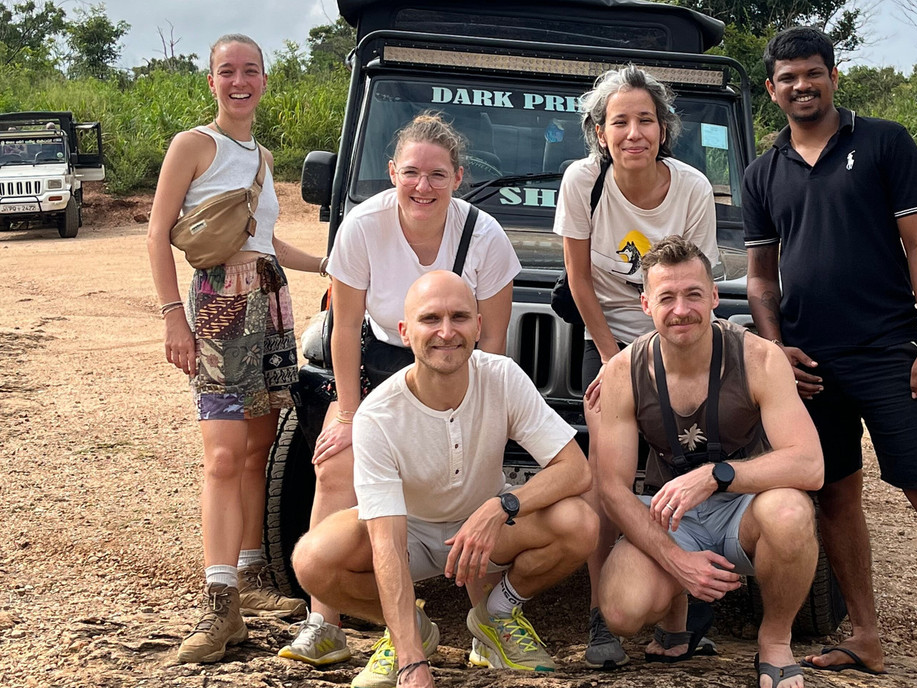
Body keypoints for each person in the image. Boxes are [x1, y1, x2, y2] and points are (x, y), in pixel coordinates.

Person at [741, 26, 917, 688]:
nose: (801, 85)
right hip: (810, 368)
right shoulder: (760, 172)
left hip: (893, 354)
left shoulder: (885, 143)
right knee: (834, 496)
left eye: (813, 73)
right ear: (771, 90)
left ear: (834, 76)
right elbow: (759, 278)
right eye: (787, 77)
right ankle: (866, 638)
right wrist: (777, 350)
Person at [278, 112, 521, 667]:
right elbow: (343, 327)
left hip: (458, 371)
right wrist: (346, 413)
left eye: (438, 175)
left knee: (475, 475)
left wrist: (475, 418)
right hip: (382, 364)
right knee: (335, 464)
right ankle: (325, 622)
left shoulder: (485, 235)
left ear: (458, 177)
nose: (424, 186)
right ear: (392, 173)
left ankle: (489, 622)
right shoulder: (362, 227)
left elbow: (494, 340)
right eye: (412, 172)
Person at [292, 270, 597, 688]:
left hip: (486, 527)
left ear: (479, 325)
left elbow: (576, 469)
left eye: (459, 317)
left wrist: (502, 505)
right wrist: (411, 663)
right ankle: (408, 630)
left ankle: (497, 616)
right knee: (311, 559)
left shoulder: (503, 377)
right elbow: (387, 545)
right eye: (430, 319)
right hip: (409, 532)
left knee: (580, 522)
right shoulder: (378, 416)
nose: (446, 332)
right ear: (404, 331)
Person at [146, 34, 325, 664]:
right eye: (228, 71)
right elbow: (156, 235)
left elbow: (270, 244)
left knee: (255, 448)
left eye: (250, 70)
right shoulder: (193, 145)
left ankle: (250, 578)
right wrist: (175, 318)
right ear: (212, 81)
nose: (239, 81)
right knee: (222, 455)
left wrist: (333, 265)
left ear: (265, 80)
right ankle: (219, 602)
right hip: (220, 305)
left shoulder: (262, 156)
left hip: (270, 303)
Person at [596, 236, 823, 688]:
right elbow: (612, 489)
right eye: (667, 297)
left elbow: (809, 465)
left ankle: (775, 642)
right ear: (645, 304)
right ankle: (677, 619)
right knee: (621, 611)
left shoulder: (759, 357)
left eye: (694, 294)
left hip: (747, 506)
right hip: (672, 514)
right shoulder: (623, 372)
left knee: (791, 512)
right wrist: (676, 560)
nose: (682, 309)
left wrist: (717, 476)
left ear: (715, 296)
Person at [553, 64, 719, 668]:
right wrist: (610, 358)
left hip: (672, 332)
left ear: (663, 128)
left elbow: (694, 287)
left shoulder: (693, 189)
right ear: (599, 132)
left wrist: (662, 358)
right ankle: (601, 613)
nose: (633, 132)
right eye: (618, 121)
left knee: (680, 459)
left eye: (645, 119)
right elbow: (576, 278)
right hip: (605, 335)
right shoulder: (583, 182)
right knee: (608, 471)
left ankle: (682, 604)